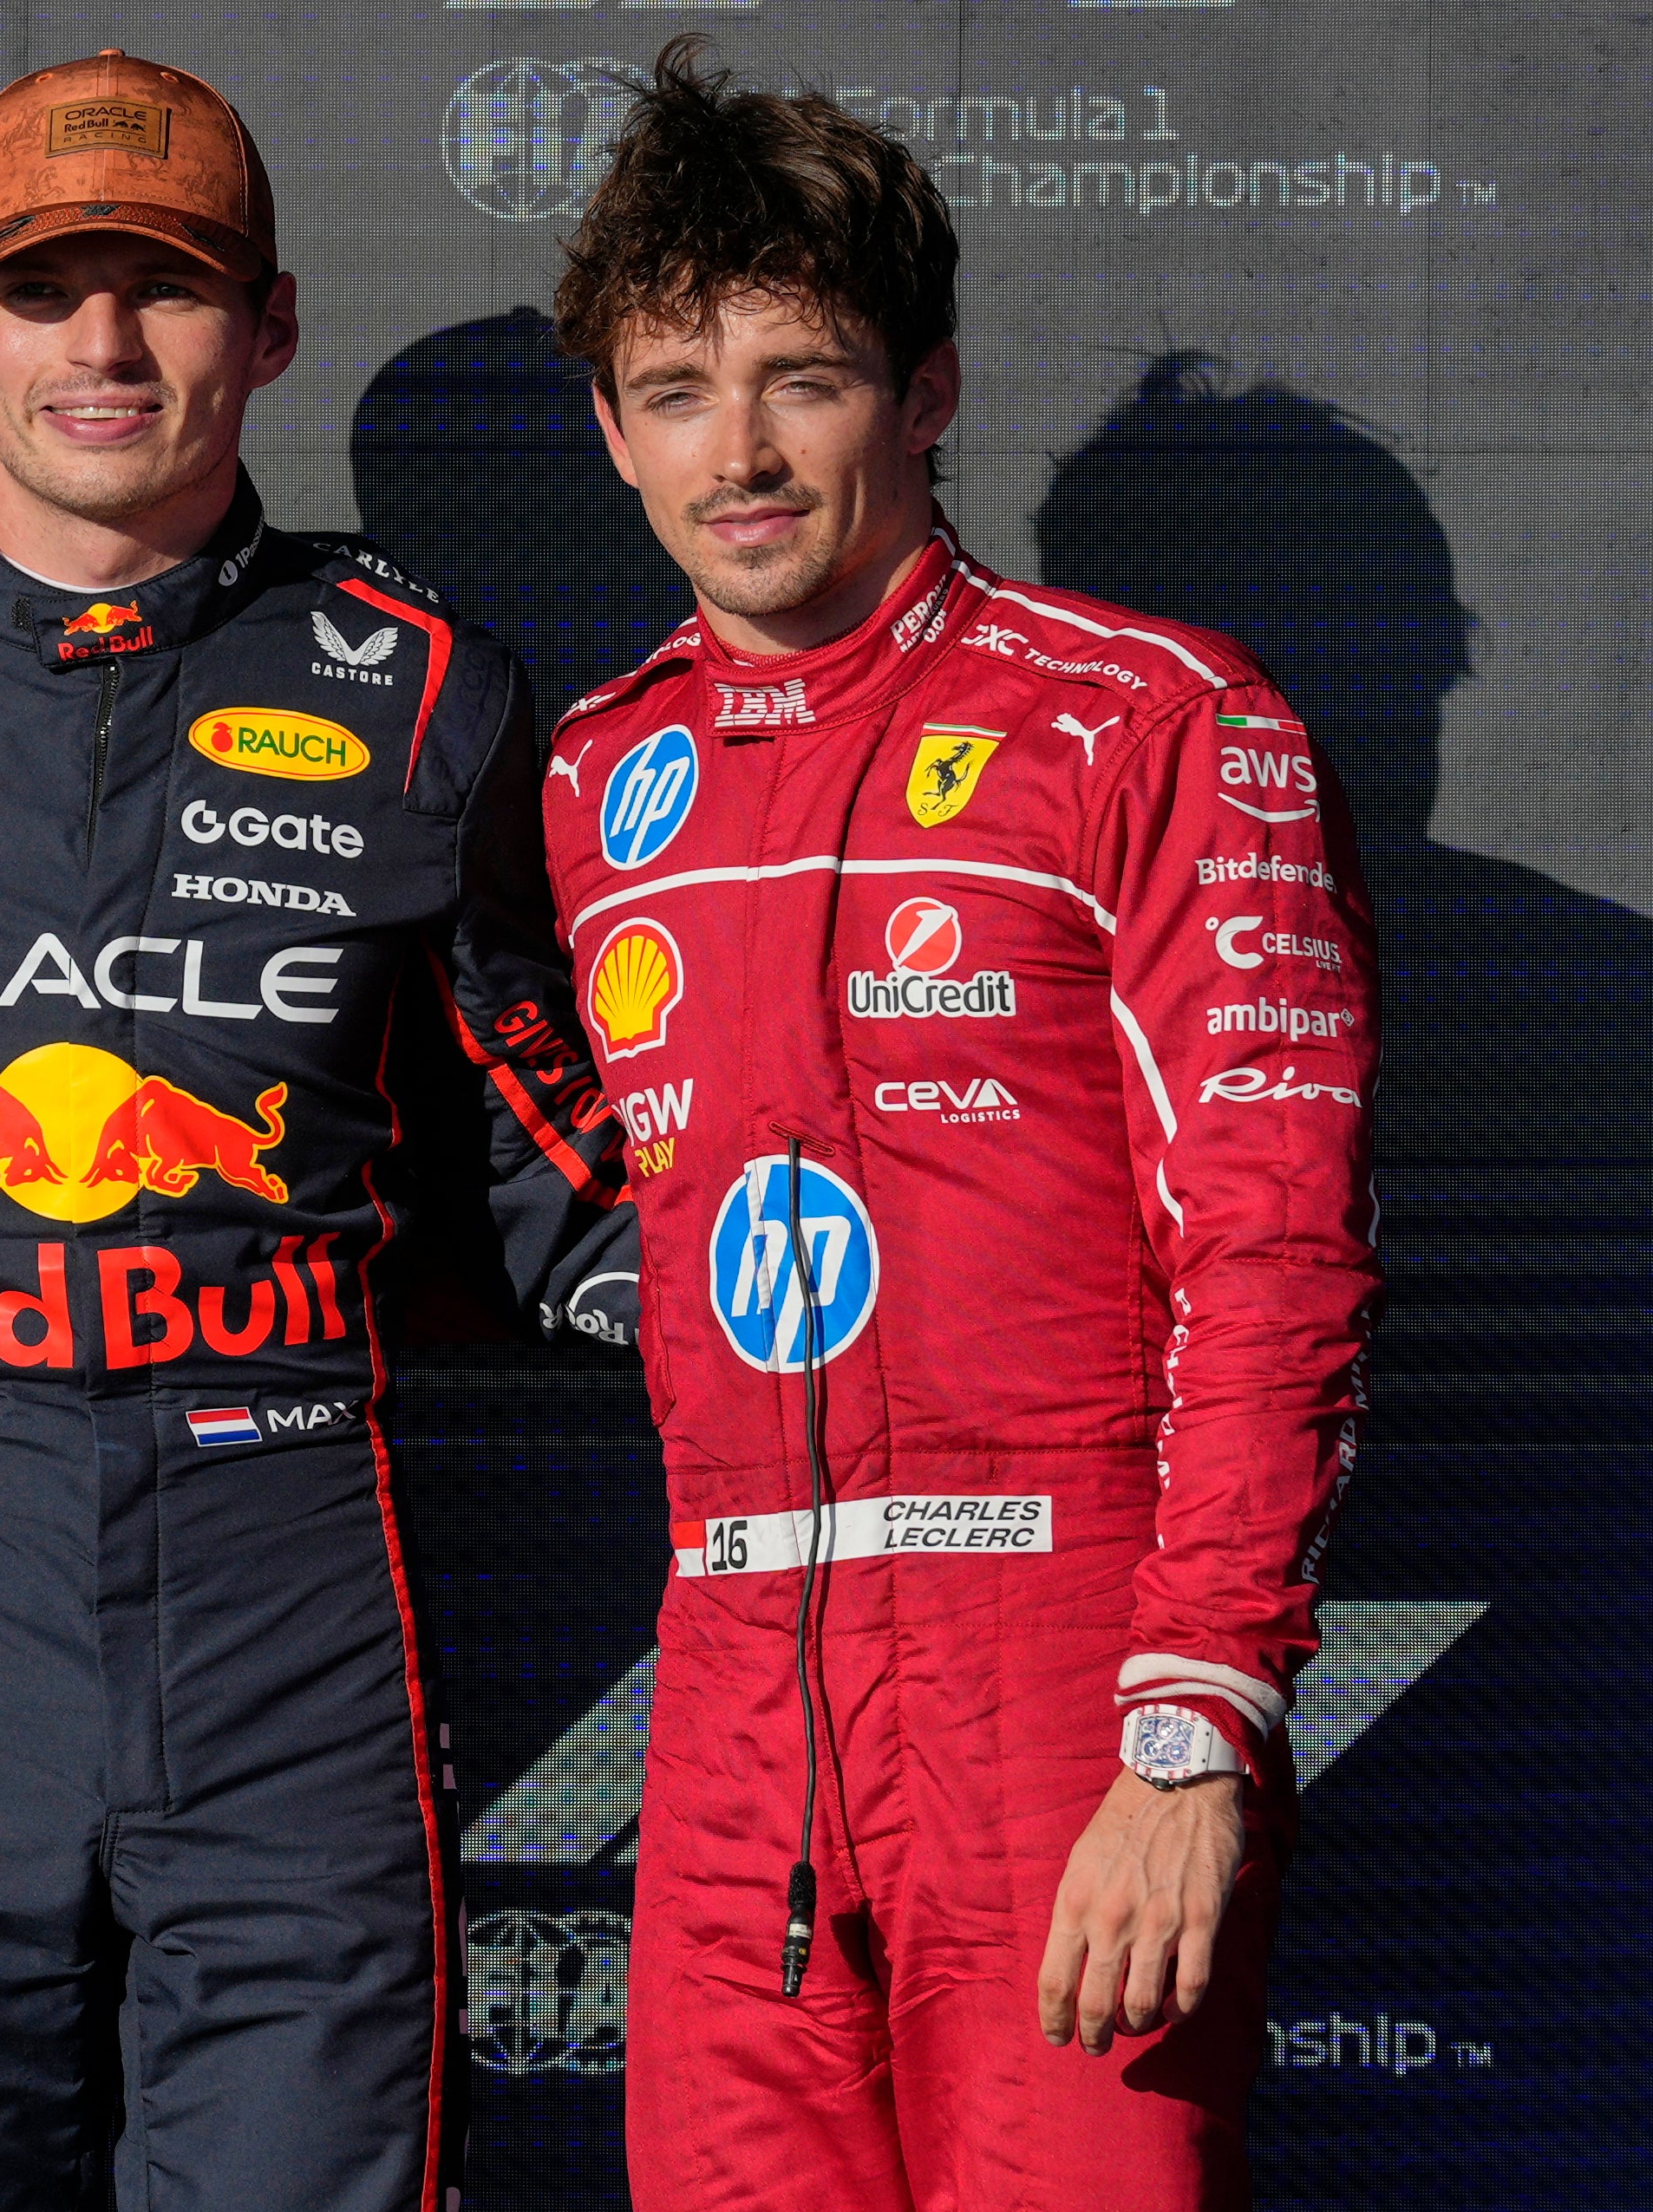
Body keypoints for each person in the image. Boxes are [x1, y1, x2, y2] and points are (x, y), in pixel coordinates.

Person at [0, 48, 637, 2210]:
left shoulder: (432, 694)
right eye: (44, 288)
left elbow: (555, 1171)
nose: (101, 349)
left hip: (286, 1631)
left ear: (267, 327)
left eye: (167, 291)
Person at [536, 46, 1381, 2209]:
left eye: (798, 376)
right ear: (610, 428)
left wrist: (1189, 1736)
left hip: (1058, 1678)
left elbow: (1271, 1248)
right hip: (726, 1687)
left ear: (918, 392)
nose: (736, 451)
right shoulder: (590, 783)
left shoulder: (1149, 719)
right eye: (672, 386)